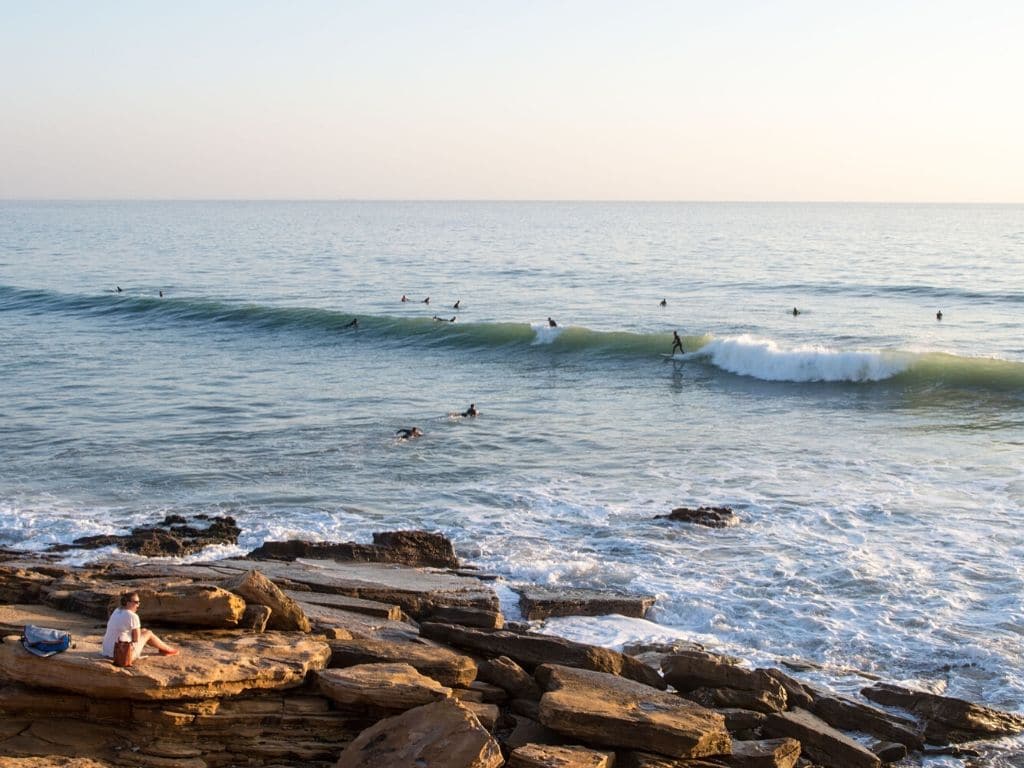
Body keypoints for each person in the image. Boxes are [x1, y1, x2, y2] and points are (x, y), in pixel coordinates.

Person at [102, 592, 178, 663]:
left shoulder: (117, 610)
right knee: (148, 633)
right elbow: (136, 639)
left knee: (144, 630)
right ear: (128, 603)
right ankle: (170, 650)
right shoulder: (133, 616)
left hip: (107, 652)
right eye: (136, 602)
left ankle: (164, 649)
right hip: (122, 655)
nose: (138, 605)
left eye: (139, 602)